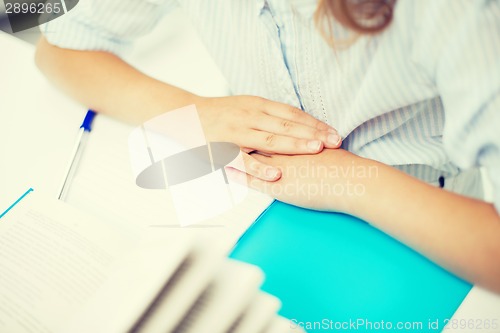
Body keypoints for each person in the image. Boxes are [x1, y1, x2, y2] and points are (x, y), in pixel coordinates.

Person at [35, 0, 500, 293]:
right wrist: (195, 111)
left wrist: (350, 181)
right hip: (255, 214)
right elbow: (61, 48)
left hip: (427, 234)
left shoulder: (455, 13)